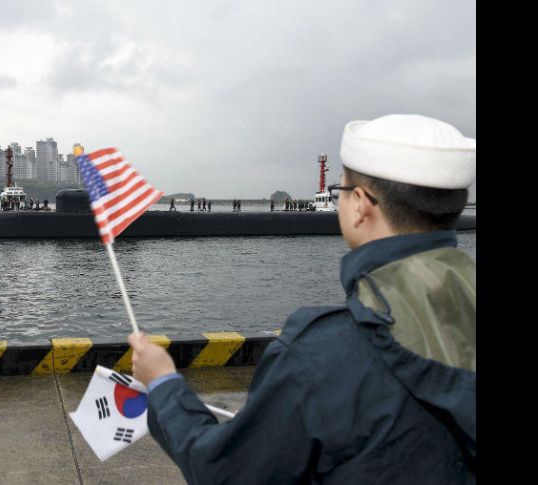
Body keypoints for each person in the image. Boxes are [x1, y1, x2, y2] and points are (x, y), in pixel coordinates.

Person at [128, 114, 476, 484]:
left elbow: (223, 474)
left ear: (359, 205)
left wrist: (163, 383)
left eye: (341, 192)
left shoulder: (318, 355)